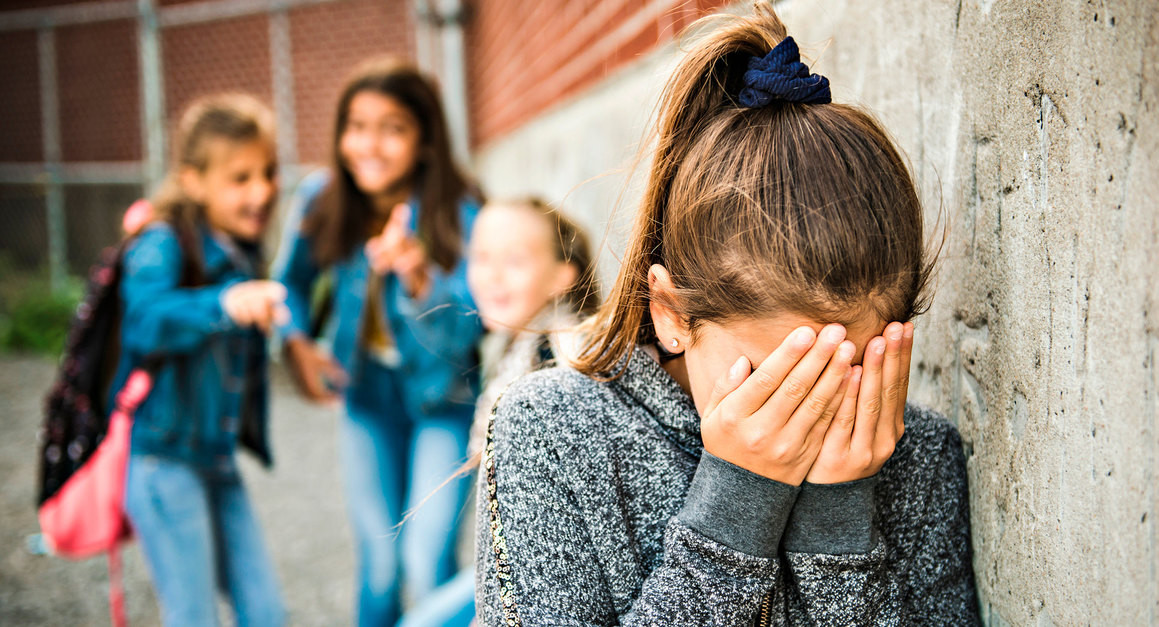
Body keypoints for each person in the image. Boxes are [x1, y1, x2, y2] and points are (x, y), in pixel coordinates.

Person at [475, 6, 981, 625]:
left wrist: (840, 521)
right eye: (781, 380)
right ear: (672, 315)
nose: (812, 412)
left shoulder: (917, 456)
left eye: (847, 370)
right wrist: (735, 507)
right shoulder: (552, 433)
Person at [274, 57, 483, 626]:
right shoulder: (322, 198)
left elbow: (475, 326)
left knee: (425, 561)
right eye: (357, 126)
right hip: (367, 400)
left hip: (444, 401)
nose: (369, 144)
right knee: (381, 567)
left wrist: (419, 277)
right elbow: (286, 285)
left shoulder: (459, 210)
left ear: (424, 140)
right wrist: (296, 343)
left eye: (392, 128)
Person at [116, 94, 287, 626]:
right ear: (193, 181)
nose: (261, 191)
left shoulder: (241, 248)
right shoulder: (162, 243)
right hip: (163, 462)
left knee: (266, 613)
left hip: (215, 459)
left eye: (268, 173)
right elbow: (144, 320)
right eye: (240, 178)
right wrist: (223, 304)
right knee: (193, 618)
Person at [399, 197, 600, 627]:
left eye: (514, 260)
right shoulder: (521, 346)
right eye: (481, 257)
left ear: (562, 276)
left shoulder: (564, 355)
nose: (491, 276)